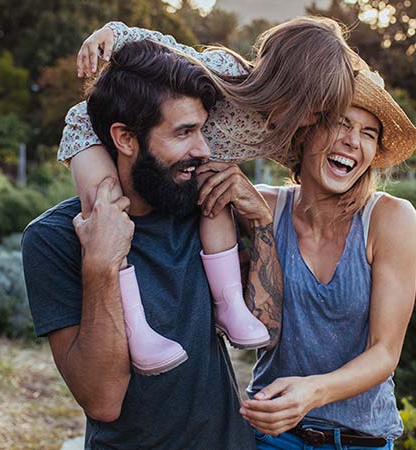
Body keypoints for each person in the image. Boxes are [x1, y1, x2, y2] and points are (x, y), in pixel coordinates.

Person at [21, 40, 283, 449]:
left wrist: (261, 222)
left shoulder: (200, 207)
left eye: (202, 129)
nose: (204, 150)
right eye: (184, 133)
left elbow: (269, 326)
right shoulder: (53, 239)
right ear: (125, 139)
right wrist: (101, 264)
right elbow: (103, 401)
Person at [59, 17, 360, 371]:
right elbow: (166, 48)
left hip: (186, 160)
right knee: (105, 207)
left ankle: (229, 303)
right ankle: (135, 327)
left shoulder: (281, 128)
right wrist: (114, 34)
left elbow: (313, 159)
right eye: (311, 108)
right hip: (94, 130)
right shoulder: (225, 72)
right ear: (286, 85)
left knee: (217, 196)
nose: (311, 120)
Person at [221, 68, 416, 449]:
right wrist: (124, 38)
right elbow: (205, 124)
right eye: (340, 124)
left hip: (361, 440)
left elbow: (384, 351)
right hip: (270, 435)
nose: (352, 142)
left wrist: (313, 392)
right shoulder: (261, 207)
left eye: (368, 133)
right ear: (306, 130)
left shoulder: (390, 220)